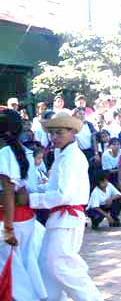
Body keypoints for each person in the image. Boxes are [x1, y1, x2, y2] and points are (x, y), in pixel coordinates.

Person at [24, 112, 104, 300]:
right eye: (52, 133)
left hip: (67, 218)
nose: (54, 137)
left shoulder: (72, 157)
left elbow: (63, 195)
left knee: (62, 266)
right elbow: (55, 187)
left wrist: (31, 199)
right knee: (47, 264)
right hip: (60, 218)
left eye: (59, 133)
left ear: (72, 132)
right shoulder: (63, 154)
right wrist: (34, 191)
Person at [0, 109, 47, 301]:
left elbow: (9, 192)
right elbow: (24, 191)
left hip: (9, 220)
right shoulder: (27, 152)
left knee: (10, 271)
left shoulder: (4, 153)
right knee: (26, 263)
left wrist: (8, 228)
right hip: (26, 218)